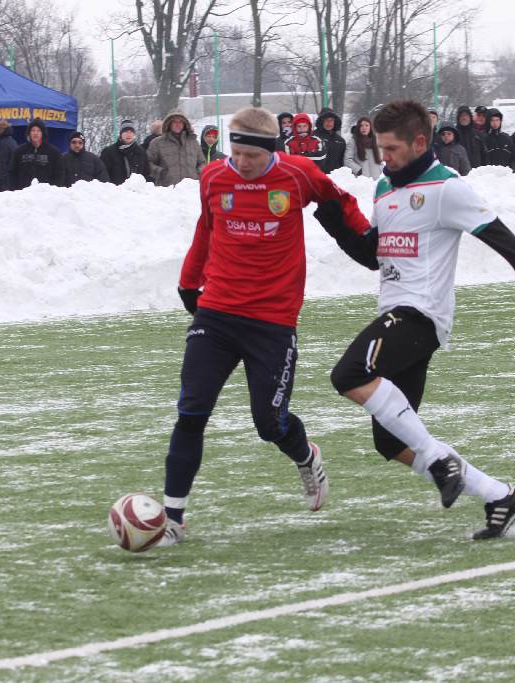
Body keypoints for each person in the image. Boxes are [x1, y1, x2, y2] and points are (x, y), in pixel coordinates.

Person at [313, 99, 515, 540]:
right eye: (380, 148)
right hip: (395, 313)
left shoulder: (447, 188)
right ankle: (499, 495)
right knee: (390, 442)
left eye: (392, 149)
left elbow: (503, 239)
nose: (384, 157)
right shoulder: (385, 188)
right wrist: (334, 220)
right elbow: (373, 256)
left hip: (421, 314)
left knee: (349, 374)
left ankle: (438, 457)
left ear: (419, 143)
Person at [157, 106, 371, 547]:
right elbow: (206, 230)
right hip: (216, 313)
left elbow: (340, 202)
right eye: (236, 152)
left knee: (269, 423)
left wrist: (368, 245)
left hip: (272, 321)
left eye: (251, 156)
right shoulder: (214, 176)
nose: (242, 162)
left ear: (271, 150)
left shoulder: (298, 174)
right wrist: (188, 283)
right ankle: (172, 518)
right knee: (191, 412)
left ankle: (305, 456)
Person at [147, 111, 206, 187]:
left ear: (184, 124)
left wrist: (198, 173)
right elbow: (148, 163)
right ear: (169, 123)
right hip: (167, 189)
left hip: (191, 188)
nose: (178, 124)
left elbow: (202, 162)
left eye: (180, 122)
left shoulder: (193, 142)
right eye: (174, 122)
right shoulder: (157, 143)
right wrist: (161, 173)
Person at [10, 118, 64, 189]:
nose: (35, 133)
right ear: (29, 133)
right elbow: (12, 173)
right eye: (33, 130)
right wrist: (16, 190)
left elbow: (59, 174)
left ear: (43, 133)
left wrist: (52, 190)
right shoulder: (19, 151)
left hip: (46, 193)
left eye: (39, 130)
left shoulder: (53, 152)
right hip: (24, 193)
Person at [101, 120, 149, 185]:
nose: (128, 134)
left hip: (136, 189)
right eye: (125, 131)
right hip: (115, 189)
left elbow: (146, 173)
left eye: (131, 132)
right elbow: (103, 174)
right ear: (121, 134)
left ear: (134, 134)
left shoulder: (140, 152)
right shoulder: (109, 152)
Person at [315, 108, 347, 173]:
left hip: (335, 176)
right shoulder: (313, 137)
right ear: (321, 121)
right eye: (326, 120)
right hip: (318, 175)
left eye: (331, 120)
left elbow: (343, 162)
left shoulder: (340, 141)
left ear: (335, 122)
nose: (329, 123)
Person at [0, 121, 18, 190]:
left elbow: (1, 165)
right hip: (12, 180)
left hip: (4, 182)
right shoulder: (12, 141)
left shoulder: (1, 144)